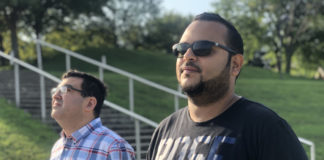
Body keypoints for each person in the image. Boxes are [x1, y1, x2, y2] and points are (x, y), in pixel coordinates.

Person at [147, 13, 308, 160]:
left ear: (235, 64)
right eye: (181, 49)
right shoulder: (163, 131)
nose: (188, 56)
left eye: (203, 48)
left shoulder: (266, 129)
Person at [50, 70, 135, 160]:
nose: (55, 96)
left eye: (65, 90)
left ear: (90, 103)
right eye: (55, 91)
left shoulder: (114, 148)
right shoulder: (57, 147)